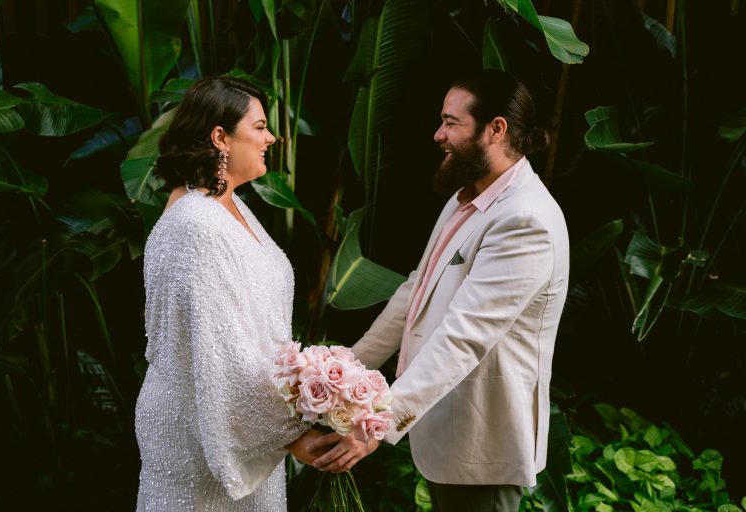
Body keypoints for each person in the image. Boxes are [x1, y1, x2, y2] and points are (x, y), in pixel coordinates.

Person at [311, 70, 569, 511]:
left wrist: (377, 423)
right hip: (446, 434)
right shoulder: (465, 196)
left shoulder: (526, 221)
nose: (438, 135)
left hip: (481, 443)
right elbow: (416, 291)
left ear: (496, 129)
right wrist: (341, 370)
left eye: (451, 122)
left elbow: (463, 337)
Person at [135, 76, 323, 512]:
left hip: (239, 415)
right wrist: (289, 433)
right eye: (259, 127)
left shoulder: (229, 205)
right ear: (220, 137)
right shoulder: (195, 224)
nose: (271, 137)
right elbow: (219, 347)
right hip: (198, 426)